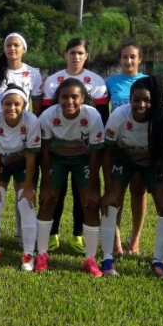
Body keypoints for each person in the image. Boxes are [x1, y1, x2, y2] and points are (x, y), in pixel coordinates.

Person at [98, 76, 163, 278]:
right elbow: (107, 152)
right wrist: (108, 190)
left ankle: (159, 260)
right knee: (111, 202)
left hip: (153, 162)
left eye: (147, 100)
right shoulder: (119, 115)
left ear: (157, 100)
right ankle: (108, 257)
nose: (141, 105)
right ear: (130, 99)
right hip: (123, 159)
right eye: (136, 99)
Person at [42, 37, 109, 254]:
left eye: (80, 53)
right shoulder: (53, 80)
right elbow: (46, 113)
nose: (76, 56)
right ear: (65, 55)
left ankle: (78, 235)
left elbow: (102, 115)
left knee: (84, 195)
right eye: (72, 52)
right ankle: (52, 233)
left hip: (84, 148)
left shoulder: (96, 80)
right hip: (58, 148)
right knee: (55, 192)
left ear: (86, 55)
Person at [35, 78, 105, 275]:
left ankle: (90, 259)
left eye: (75, 97)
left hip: (83, 161)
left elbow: (96, 153)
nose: (69, 101)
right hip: (56, 160)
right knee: (47, 202)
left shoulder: (92, 116)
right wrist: (46, 185)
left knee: (90, 204)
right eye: (64, 97)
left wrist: (92, 187)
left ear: (83, 98)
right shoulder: (48, 116)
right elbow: (45, 152)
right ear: (58, 98)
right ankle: (41, 255)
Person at [0, 86, 41, 269]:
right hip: (1, 161)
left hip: (24, 163)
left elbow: (32, 156)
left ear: (25, 105)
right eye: (8, 103)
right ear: (1, 103)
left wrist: (27, 186)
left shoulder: (32, 121)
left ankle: (28, 253)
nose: (12, 108)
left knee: (26, 202)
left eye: (17, 104)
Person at [105, 41, 149, 255]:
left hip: (143, 148)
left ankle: (135, 240)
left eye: (133, 57)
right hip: (119, 147)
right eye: (124, 57)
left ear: (140, 59)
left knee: (139, 192)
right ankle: (116, 242)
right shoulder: (111, 82)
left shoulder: (148, 82)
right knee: (116, 194)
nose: (128, 61)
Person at [0, 32, 43, 117]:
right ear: (4, 49)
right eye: (8, 45)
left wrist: (27, 125)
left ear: (24, 49)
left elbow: (37, 108)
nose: (12, 48)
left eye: (16, 45)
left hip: (22, 127)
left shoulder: (33, 73)